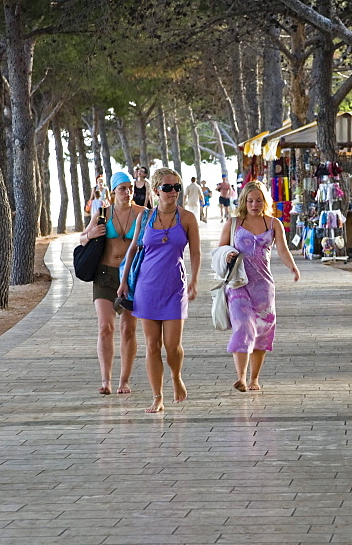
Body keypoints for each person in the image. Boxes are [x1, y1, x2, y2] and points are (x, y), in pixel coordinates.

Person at [118, 167, 201, 413]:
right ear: (156, 190)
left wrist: (194, 281)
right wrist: (123, 282)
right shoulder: (145, 218)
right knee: (152, 344)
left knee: (172, 345)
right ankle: (157, 396)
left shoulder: (187, 219)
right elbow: (132, 249)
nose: (173, 191)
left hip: (175, 287)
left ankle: (176, 378)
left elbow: (195, 253)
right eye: (167, 187)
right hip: (146, 287)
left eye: (177, 187)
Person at [217, 180, 299, 392]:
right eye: (250, 200)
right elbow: (219, 250)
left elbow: (282, 249)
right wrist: (227, 255)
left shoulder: (273, 224)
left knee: (262, 331)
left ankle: (254, 379)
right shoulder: (234, 223)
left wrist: (293, 267)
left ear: (265, 202)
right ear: (244, 201)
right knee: (244, 325)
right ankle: (241, 377)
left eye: (259, 201)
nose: (254, 204)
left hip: (263, 285)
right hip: (238, 283)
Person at [80, 171, 146, 395]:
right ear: (113, 190)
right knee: (105, 327)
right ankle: (105, 379)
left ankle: (124, 381)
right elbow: (82, 238)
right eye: (122, 189)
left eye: (130, 188)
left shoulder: (143, 214)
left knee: (128, 329)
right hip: (105, 275)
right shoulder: (102, 213)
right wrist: (91, 235)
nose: (127, 193)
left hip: (132, 276)